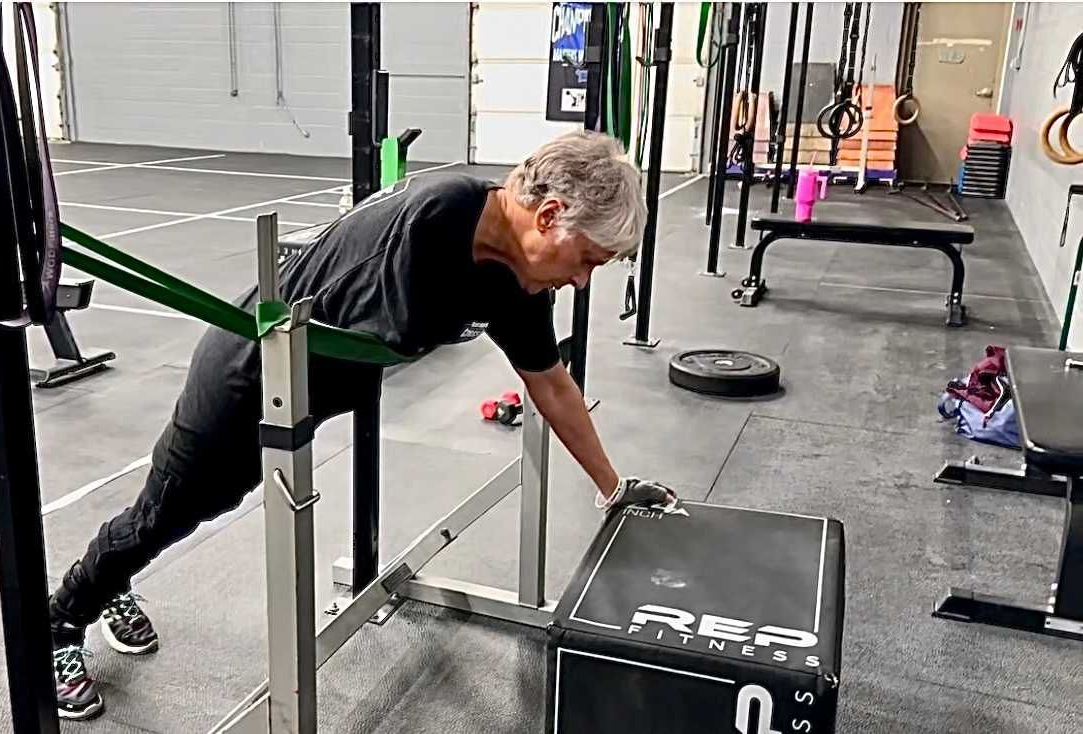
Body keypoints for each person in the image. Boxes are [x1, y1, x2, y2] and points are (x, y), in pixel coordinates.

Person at [48, 129, 676, 720]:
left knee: (207, 504)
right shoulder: (443, 214)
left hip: (304, 385)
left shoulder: (517, 273)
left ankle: (108, 581)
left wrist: (613, 486)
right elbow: (398, 338)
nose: (581, 277)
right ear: (547, 217)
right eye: (588, 257)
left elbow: (552, 384)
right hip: (247, 368)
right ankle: (63, 615)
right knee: (170, 510)